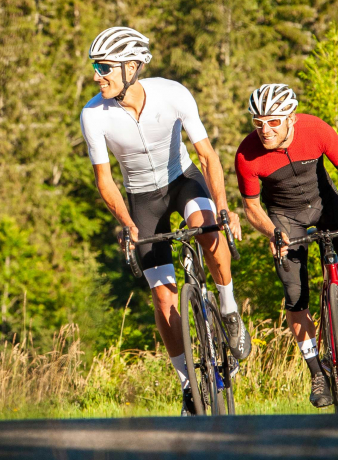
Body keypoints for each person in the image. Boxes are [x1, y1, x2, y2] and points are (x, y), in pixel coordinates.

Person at [79, 27, 251, 416]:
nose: (96, 76)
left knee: (207, 227)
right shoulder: (93, 114)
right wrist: (127, 223)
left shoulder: (172, 93)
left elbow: (206, 156)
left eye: (104, 67)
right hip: (142, 199)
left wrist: (223, 208)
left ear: (132, 67)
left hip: (183, 181)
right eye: (95, 66)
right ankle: (188, 381)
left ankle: (227, 307)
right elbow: (104, 180)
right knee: (162, 295)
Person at [234, 83, 338, 408]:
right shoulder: (247, 154)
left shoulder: (315, 129)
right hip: (285, 218)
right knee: (295, 295)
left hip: (325, 204)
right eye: (258, 123)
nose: (265, 129)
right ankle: (316, 370)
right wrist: (273, 232)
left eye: (273, 121)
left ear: (291, 118)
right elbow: (252, 208)